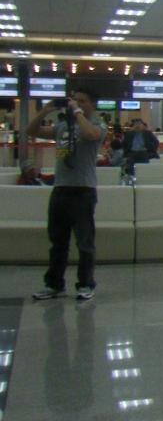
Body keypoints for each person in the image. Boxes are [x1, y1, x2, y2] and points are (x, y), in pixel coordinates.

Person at [27, 89, 106, 301]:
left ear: (92, 105)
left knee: (84, 243)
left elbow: (90, 135)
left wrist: (77, 112)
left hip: (83, 191)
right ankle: (54, 284)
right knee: (58, 242)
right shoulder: (62, 127)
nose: (77, 104)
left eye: (82, 101)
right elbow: (31, 130)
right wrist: (45, 111)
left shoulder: (97, 125)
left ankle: (85, 284)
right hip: (60, 190)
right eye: (75, 101)